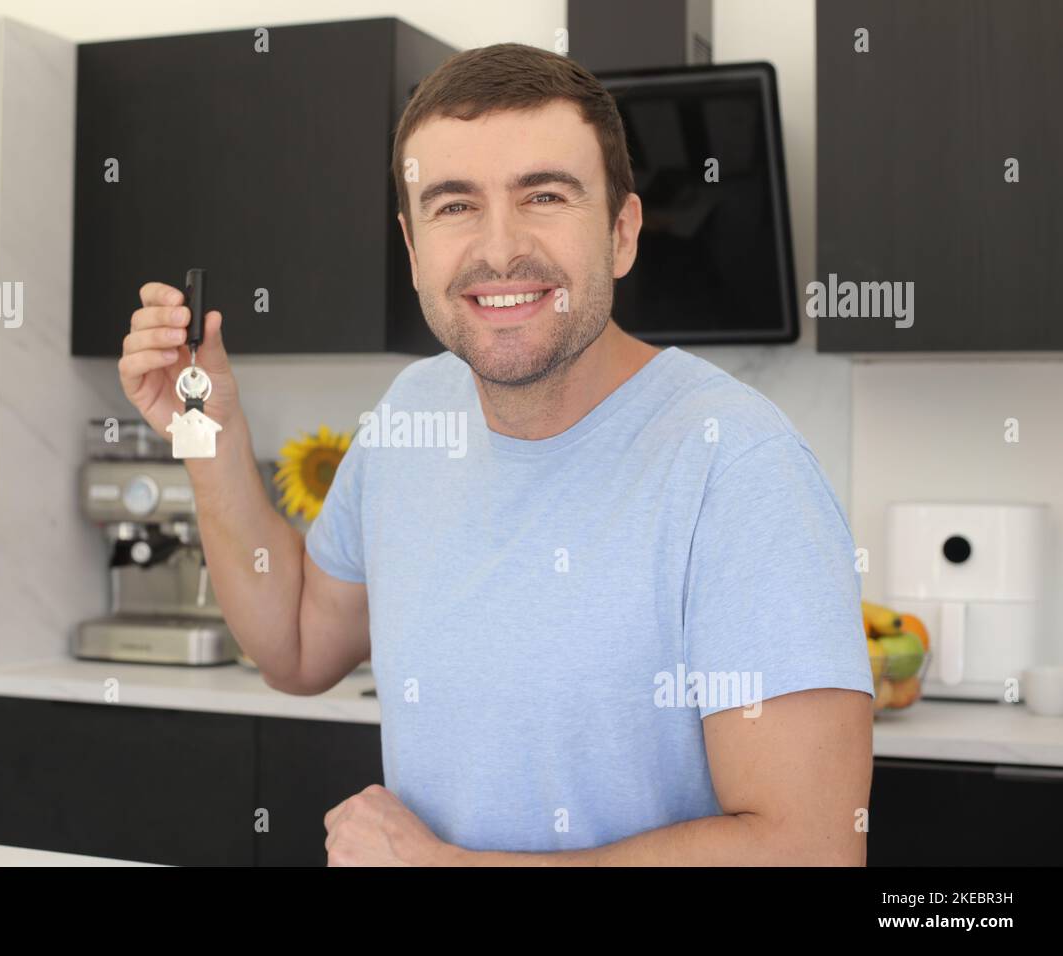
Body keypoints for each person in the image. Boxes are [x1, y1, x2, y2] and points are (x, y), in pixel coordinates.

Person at [119, 42, 874, 866]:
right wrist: (207, 434)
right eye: (454, 205)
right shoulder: (413, 412)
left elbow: (810, 852)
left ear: (621, 233)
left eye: (543, 195)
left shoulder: (739, 465)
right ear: (413, 251)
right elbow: (296, 646)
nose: (499, 246)